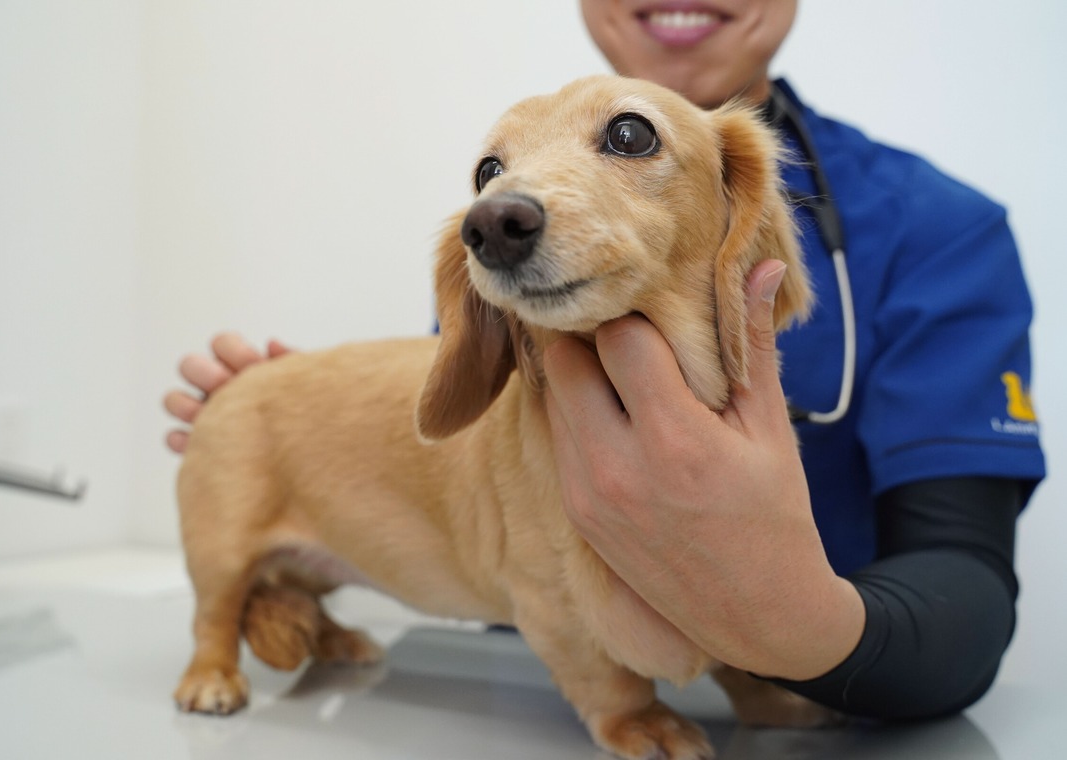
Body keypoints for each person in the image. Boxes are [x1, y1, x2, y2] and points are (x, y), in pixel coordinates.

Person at [163, 0, 1045, 721]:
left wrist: (786, 631)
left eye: (628, 138)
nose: (503, 213)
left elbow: (964, 592)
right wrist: (283, 411)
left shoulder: (943, 233)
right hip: (516, 701)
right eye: (490, 179)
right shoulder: (520, 245)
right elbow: (452, 466)